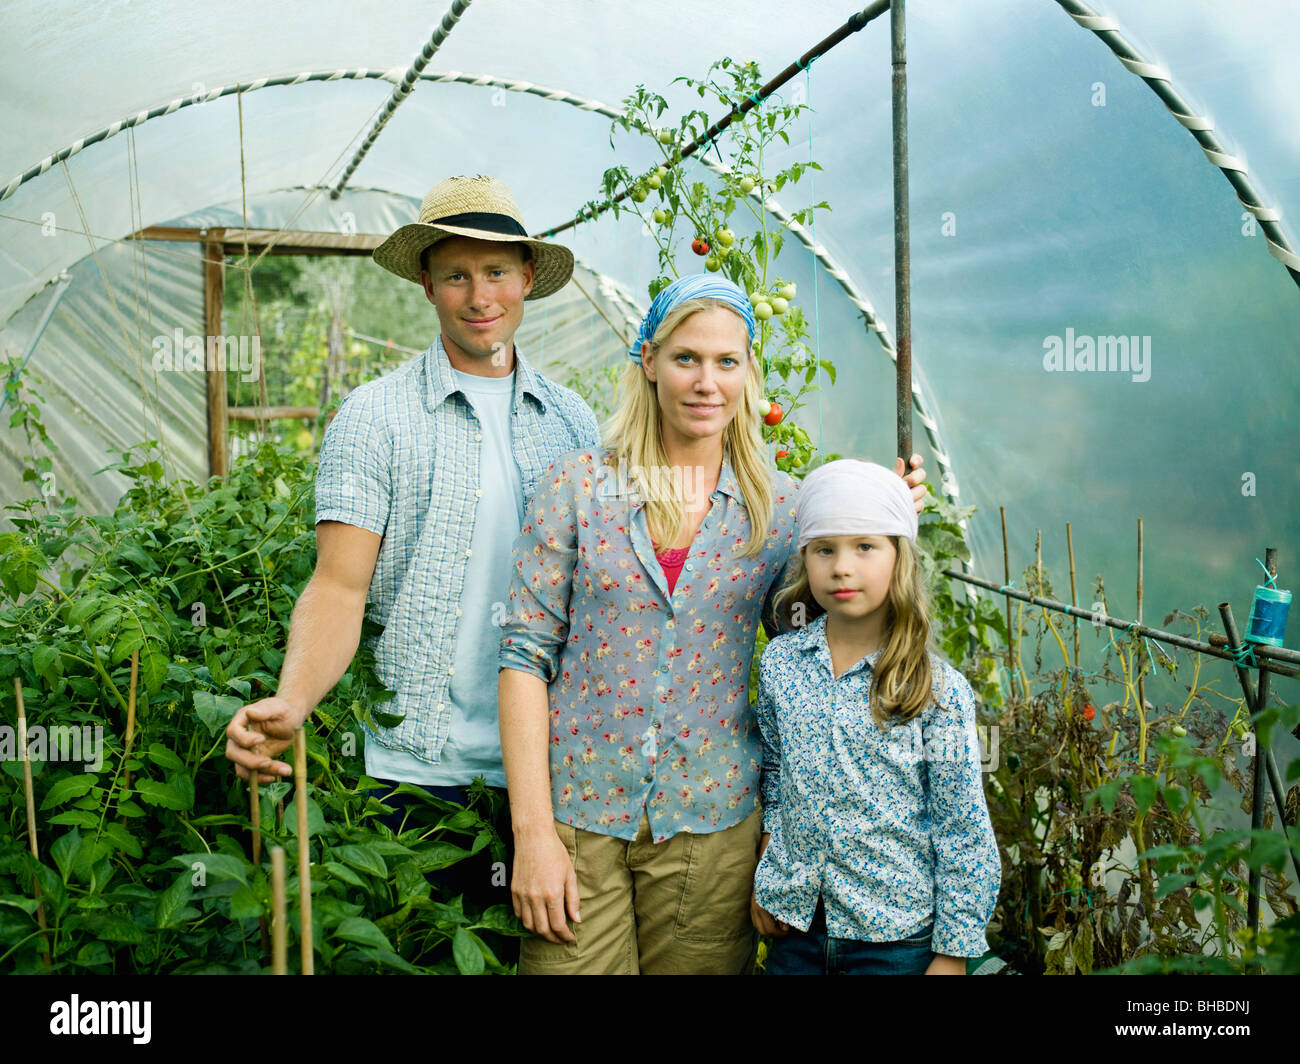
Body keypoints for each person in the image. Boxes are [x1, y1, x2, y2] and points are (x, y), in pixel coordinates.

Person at [497, 275, 928, 974]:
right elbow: (523, 658)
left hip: (713, 827)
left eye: (727, 362)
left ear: (749, 373)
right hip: (577, 821)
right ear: (649, 361)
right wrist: (534, 834)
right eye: (686, 358)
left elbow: (819, 652)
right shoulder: (578, 488)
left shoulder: (782, 511)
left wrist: (872, 517)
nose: (706, 382)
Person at [222, 175, 600, 921]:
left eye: (496, 272)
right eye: (457, 274)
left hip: (552, 772)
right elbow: (339, 587)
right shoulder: (377, 416)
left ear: (527, 278)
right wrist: (293, 702)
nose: (479, 294)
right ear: (427, 285)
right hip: (414, 772)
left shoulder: (572, 422)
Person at [750, 459, 1001, 975]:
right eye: (825, 549)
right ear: (804, 559)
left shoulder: (937, 690)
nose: (842, 566)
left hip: (894, 943)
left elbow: (963, 828)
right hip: (795, 933)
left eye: (865, 546)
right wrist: (770, 877)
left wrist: (954, 956)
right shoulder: (780, 664)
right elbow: (776, 779)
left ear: (899, 557)